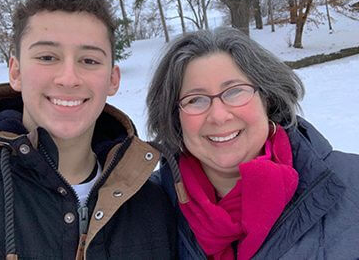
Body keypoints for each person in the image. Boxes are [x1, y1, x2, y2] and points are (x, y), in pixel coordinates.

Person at [0, 0, 177, 259]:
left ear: (112, 79)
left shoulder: (155, 205)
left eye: (89, 60)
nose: (68, 78)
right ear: (15, 71)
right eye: (47, 57)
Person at [147, 27, 359, 260]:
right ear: (174, 116)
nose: (219, 116)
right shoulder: (145, 208)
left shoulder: (352, 182)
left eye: (235, 91)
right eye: (195, 99)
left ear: (267, 98)